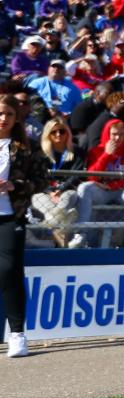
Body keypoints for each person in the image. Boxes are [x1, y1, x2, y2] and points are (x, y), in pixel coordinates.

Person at [0, 94, 49, 357]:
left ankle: (17, 333)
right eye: (0, 113)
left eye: (8, 113)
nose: (3, 119)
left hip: (11, 215)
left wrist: (14, 185)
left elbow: (42, 180)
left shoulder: (25, 148)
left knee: (9, 270)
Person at [78, 119, 124, 247]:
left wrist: (114, 185)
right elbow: (91, 176)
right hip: (102, 191)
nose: (117, 138)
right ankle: (81, 233)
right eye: (114, 134)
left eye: (121, 134)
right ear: (107, 134)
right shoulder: (96, 151)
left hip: (123, 191)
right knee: (84, 187)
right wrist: (106, 155)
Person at [30, 117, 86, 248]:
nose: (58, 134)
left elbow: (77, 175)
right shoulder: (39, 152)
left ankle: (53, 227)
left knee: (67, 198)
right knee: (38, 199)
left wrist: (61, 189)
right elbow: (37, 175)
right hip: (44, 191)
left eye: (62, 131)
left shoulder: (77, 152)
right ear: (47, 134)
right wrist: (50, 191)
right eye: (53, 132)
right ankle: (62, 239)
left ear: (68, 132)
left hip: (68, 190)